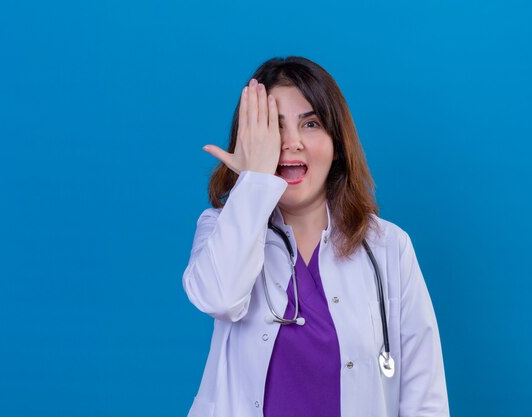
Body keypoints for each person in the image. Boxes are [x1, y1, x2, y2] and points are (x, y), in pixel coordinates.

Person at [182, 56, 449, 417]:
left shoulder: (389, 247)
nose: (291, 143)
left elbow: (425, 397)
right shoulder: (221, 228)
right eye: (273, 129)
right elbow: (219, 298)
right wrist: (255, 182)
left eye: (310, 123)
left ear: (336, 142)